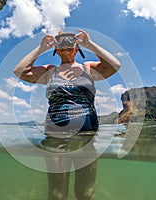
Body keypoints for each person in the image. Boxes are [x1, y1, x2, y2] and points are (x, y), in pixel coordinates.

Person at [13, 30, 121, 200]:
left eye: (71, 39)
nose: (66, 42)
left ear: (77, 48)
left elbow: (115, 66)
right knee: (58, 195)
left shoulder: (88, 68)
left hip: (87, 137)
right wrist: (41, 49)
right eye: (61, 39)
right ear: (56, 48)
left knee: (85, 193)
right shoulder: (50, 71)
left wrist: (90, 44)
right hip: (56, 137)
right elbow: (20, 71)